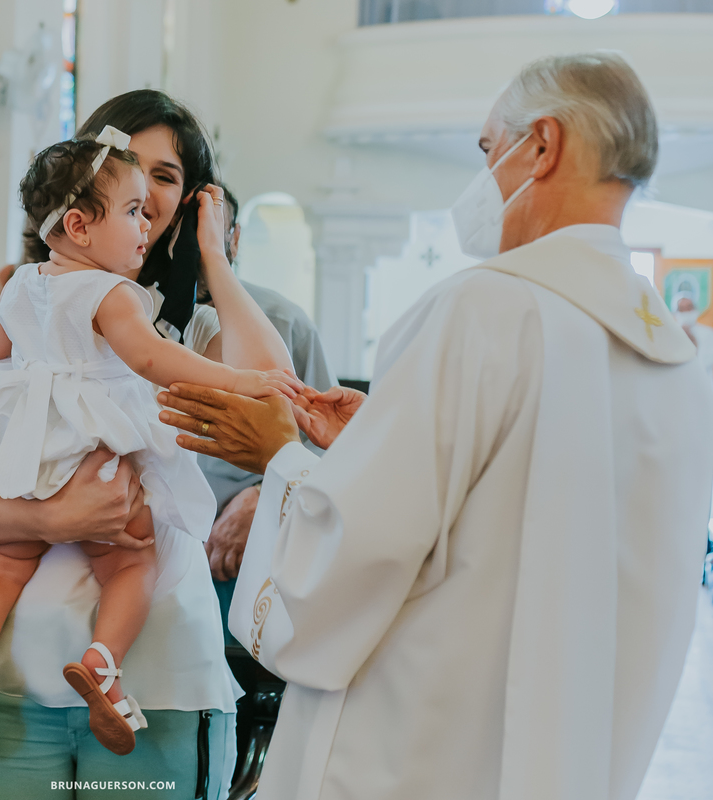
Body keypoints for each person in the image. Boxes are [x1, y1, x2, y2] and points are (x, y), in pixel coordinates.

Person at [157, 52, 713, 800]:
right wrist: (369, 442)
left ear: (541, 145)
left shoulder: (483, 311)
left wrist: (281, 457)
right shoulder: (675, 356)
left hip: (418, 754)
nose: (484, 178)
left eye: (489, 150)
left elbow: (360, 551)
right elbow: (523, 521)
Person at [0, 89, 294, 800]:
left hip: (163, 689)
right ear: (80, 202)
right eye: (127, 173)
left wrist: (215, 257)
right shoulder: (2, 317)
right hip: (9, 691)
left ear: (192, 199)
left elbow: (274, 398)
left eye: (165, 179)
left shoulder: (189, 330)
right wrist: (50, 521)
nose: (144, 192)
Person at [199, 187, 337, 635]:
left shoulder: (285, 324)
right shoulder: (128, 316)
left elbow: (324, 446)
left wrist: (260, 499)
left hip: (239, 549)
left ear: (233, 239)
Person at [672, 291, 713, 379]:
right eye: (681, 309)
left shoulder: (708, 333)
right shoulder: (671, 334)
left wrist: (694, 342)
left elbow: (707, 363)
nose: (686, 311)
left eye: (689, 307)